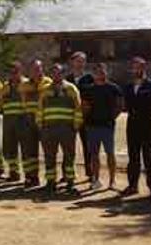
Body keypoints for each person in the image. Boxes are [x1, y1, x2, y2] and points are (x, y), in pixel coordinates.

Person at [38, 63, 82, 194]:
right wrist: (40, 126)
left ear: (63, 74)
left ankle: (70, 182)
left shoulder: (71, 88)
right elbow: (40, 109)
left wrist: (75, 126)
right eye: (54, 73)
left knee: (69, 156)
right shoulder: (45, 90)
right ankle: (51, 183)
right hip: (48, 129)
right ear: (51, 75)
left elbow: (78, 108)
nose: (56, 75)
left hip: (67, 129)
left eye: (59, 72)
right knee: (49, 156)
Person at [122, 57, 151, 197]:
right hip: (132, 125)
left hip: (147, 125)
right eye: (134, 66)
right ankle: (133, 185)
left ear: (144, 68)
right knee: (133, 157)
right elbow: (125, 106)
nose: (136, 69)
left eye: (139, 67)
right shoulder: (128, 87)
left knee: (149, 157)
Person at [84, 63, 123, 190]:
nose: (99, 74)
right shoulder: (89, 89)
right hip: (92, 126)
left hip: (107, 126)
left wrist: (112, 118)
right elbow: (84, 107)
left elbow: (120, 106)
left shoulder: (114, 88)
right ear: (93, 74)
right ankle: (96, 180)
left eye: (102, 71)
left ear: (106, 72)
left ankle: (112, 181)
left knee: (110, 154)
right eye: (97, 72)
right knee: (94, 154)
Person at [20, 60, 51, 187]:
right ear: (29, 71)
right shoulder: (24, 85)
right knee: (29, 151)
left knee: (48, 150)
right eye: (33, 69)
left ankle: (50, 179)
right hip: (28, 120)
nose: (36, 71)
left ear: (42, 69)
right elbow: (23, 102)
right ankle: (31, 177)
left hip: (44, 120)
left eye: (38, 68)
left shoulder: (48, 83)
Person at [66, 51, 95, 178]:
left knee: (88, 146)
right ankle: (67, 173)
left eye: (83, 61)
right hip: (70, 117)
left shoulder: (90, 79)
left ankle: (91, 172)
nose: (80, 64)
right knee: (68, 146)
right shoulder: (67, 80)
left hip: (86, 117)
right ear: (72, 62)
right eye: (78, 61)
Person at [0, 61, 29, 182]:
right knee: (9, 148)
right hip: (8, 121)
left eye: (15, 71)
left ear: (20, 71)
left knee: (26, 149)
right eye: (11, 72)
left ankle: (29, 176)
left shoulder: (26, 84)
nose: (13, 74)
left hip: (22, 120)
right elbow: (1, 103)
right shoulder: (5, 86)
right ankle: (14, 172)